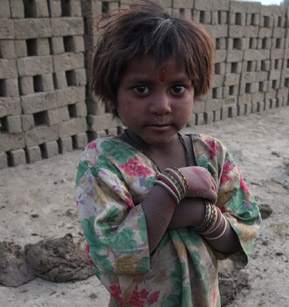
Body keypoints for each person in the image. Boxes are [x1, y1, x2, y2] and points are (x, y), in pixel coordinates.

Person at [75, 1, 262, 306]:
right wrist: (177, 187)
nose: (161, 106)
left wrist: (205, 216)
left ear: (195, 89)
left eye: (177, 89)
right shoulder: (104, 160)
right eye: (141, 89)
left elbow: (242, 233)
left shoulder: (211, 155)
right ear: (111, 97)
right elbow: (113, 250)